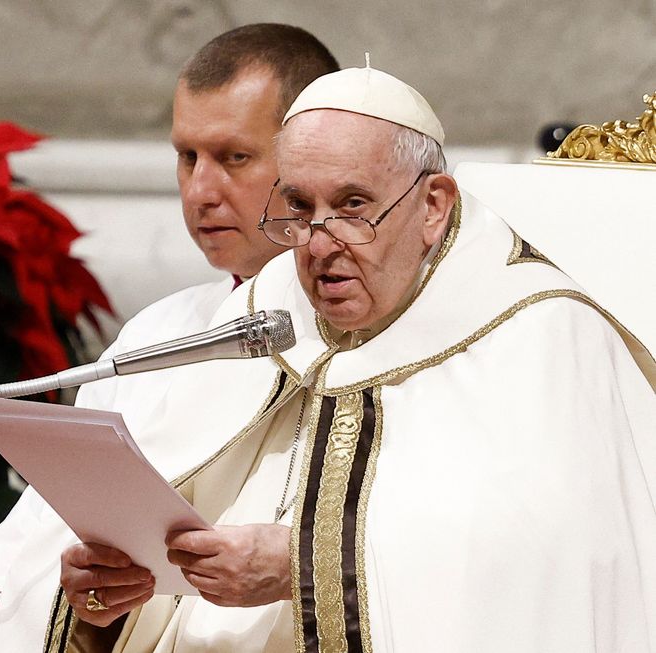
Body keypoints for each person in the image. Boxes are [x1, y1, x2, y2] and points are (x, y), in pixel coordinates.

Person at [53, 66, 656, 651]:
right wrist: (115, 591)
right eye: (298, 206)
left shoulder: (542, 329)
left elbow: (563, 565)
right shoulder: (269, 314)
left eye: (352, 207)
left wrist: (303, 566)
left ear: (433, 207)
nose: (318, 243)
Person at [0, 24, 339, 652]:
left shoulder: (374, 339)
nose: (200, 191)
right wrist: (94, 607)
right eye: (186, 157)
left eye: (234, 157)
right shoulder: (157, 335)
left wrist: (302, 567)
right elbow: (42, 557)